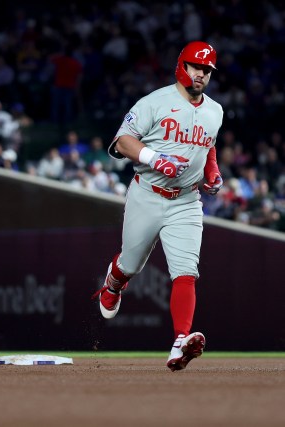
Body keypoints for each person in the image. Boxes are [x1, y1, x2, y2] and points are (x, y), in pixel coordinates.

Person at [92, 41, 224, 372]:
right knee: (131, 265)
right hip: (147, 194)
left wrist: (212, 172)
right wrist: (155, 158)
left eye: (206, 70)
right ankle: (113, 283)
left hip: (187, 201)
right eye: (196, 66)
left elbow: (208, 145)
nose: (201, 74)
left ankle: (180, 343)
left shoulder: (215, 111)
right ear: (182, 66)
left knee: (186, 272)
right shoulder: (155, 102)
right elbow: (123, 140)